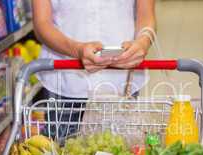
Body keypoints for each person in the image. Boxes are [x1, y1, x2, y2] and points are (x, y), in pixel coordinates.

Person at [32, 0, 156, 138]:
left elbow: (146, 16)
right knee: (62, 152)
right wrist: (76, 50)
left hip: (121, 81)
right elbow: (41, 23)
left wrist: (142, 42)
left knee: (120, 153)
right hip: (65, 81)